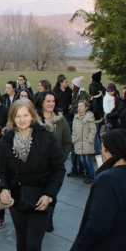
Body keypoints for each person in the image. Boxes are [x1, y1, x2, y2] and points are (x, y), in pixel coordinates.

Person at [0, 99, 65, 251]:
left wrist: (49, 195)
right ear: (12, 118)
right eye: (18, 116)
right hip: (17, 198)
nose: (22, 119)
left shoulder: (46, 137)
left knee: (34, 244)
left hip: (41, 199)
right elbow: (2, 171)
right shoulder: (7, 139)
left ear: (32, 115)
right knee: (22, 240)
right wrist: (4, 188)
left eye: (26, 115)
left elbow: (58, 170)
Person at [35, 90, 72, 232]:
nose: (51, 104)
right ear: (42, 102)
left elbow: (67, 142)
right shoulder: (34, 120)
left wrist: (59, 161)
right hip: (36, 166)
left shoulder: (61, 121)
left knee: (52, 194)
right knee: (37, 192)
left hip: (54, 167)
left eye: (53, 101)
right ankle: (37, 217)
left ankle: (48, 216)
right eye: (48, 101)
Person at [73, 100, 97, 185]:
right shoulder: (76, 118)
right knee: (82, 159)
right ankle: (86, 173)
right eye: (78, 106)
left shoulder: (89, 117)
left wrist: (90, 139)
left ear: (86, 108)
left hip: (87, 141)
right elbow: (74, 129)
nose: (79, 108)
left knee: (87, 158)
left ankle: (91, 174)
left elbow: (93, 129)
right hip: (79, 141)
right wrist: (74, 138)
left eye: (81, 106)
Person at [88, 82, 104, 155]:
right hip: (99, 118)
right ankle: (97, 151)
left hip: (95, 119)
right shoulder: (100, 97)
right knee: (97, 136)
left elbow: (94, 109)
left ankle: (96, 152)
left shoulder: (94, 99)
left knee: (95, 137)